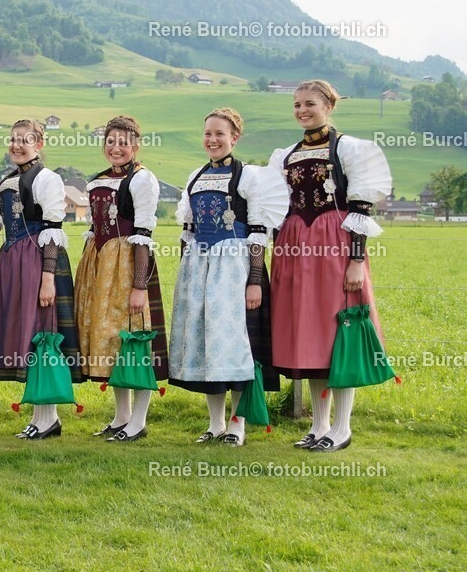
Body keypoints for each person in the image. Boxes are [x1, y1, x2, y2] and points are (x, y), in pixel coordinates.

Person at [269, 80, 392, 452]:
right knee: (309, 335)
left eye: (309, 104)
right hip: (294, 247)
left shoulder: (349, 149)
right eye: (296, 105)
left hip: (334, 246)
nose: (302, 110)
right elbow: (275, 207)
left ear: (328, 106)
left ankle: (342, 427)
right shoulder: (285, 155)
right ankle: (318, 425)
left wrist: (356, 260)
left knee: (339, 334)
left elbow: (360, 209)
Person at [169, 108, 288, 447]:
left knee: (233, 343)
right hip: (199, 267)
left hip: (234, 265)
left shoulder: (248, 177)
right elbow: (187, 231)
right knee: (206, 342)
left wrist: (254, 279)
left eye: (220, 134)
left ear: (234, 137)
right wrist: (185, 275)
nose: (212, 140)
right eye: (208, 133)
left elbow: (257, 230)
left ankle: (237, 425)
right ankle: (215, 423)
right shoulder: (196, 176)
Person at [76, 115, 169, 443]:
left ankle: (139, 420)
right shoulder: (98, 180)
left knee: (135, 342)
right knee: (114, 343)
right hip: (101, 267)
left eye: (123, 142)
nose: (116, 148)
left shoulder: (142, 180)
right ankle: (121, 417)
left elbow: (143, 234)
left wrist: (139, 286)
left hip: (128, 266)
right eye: (111, 141)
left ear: (136, 145)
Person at [0, 119, 80, 439]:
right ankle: (41, 418)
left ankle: (47, 418)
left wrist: (47, 278)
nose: (16, 145)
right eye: (13, 139)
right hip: (13, 261)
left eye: (24, 140)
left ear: (39, 144)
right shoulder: (8, 180)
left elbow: (53, 231)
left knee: (42, 332)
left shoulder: (47, 178)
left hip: (38, 260)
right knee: (26, 334)